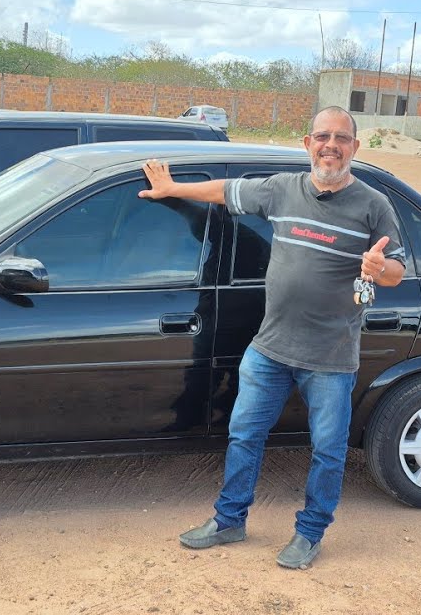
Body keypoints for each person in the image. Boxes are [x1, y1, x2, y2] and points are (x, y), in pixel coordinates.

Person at [138, 106, 406, 570]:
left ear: (355, 148)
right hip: (269, 349)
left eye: (342, 138)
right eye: (323, 136)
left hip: (330, 357)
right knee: (244, 435)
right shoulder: (282, 189)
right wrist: (172, 189)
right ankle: (229, 520)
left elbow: (398, 270)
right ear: (307, 143)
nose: (331, 145)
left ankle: (309, 533)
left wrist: (380, 270)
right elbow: (225, 192)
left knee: (327, 450)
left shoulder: (373, 205)